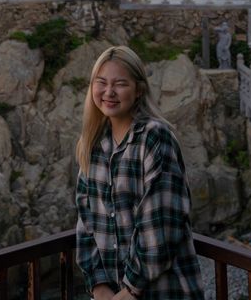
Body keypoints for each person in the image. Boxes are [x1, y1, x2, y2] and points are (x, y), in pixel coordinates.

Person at [75, 46, 205, 300]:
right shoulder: (94, 145)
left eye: (120, 84)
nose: (109, 92)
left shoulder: (155, 138)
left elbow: (163, 226)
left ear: (139, 90)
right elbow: (85, 222)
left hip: (164, 292)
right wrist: (98, 285)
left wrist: (132, 289)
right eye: (101, 83)